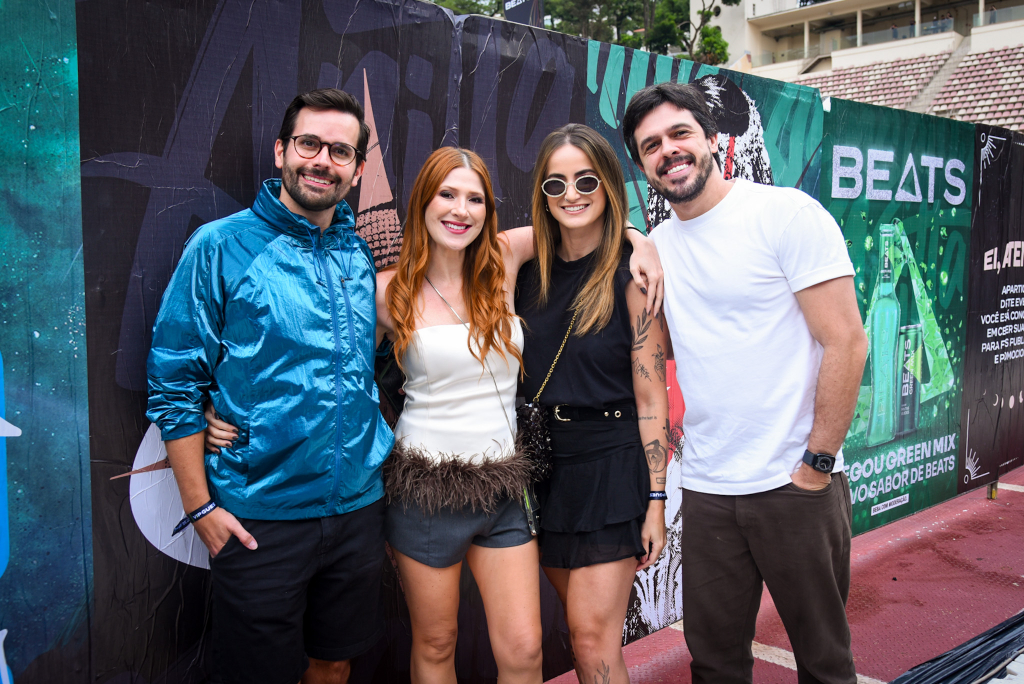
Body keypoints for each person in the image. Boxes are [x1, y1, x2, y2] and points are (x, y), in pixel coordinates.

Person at [203, 146, 665, 683]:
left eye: (474, 199)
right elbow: (309, 356)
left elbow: (585, 225)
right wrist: (221, 404)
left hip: (504, 489)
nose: (460, 210)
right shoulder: (383, 292)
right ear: (422, 202)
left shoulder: (506, 261)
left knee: (524, 649)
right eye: (447, 194)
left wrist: (641, 239)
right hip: (423, 491)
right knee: (437, 642)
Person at [622, 82, 868, 684]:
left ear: (711, 137)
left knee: (825, 663)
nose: (668, 151)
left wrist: (816, 463)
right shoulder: (655, 251)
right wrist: (632, 239)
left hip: (794, 485)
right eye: (650, 145)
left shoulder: (784, 213)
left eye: (679, 134)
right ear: (643, 164)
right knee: (714, 664)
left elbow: (847, 341)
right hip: (707, 491)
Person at [147, 88, 394, 684]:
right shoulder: (220, 245)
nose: (322, 161)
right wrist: (200, 507)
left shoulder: (360, 256)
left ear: (359, 169)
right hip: (260, 519)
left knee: (333, 664)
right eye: (309, 143)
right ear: (283, 150)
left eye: (341, 151)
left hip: (358, 510)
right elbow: (174, 382)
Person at [516, 123, 669, 684]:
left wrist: (655, 499)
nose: (572, 194)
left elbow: (652, 395)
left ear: (608, 184)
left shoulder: (632, 278)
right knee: (578, 636)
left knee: (591, 634)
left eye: (586, 180)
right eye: (555, 185)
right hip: (543, 470)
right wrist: (636, 233)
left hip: (612, 463)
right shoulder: (523, 271)